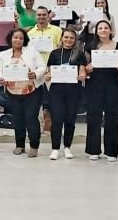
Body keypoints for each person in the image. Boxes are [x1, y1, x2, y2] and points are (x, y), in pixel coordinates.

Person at [0, 28, 46, 158]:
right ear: (10, 39)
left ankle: (34, 146)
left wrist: (35, 73)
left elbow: (43, 67)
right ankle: (20, 145)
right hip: (13, 92)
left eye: (20, 38)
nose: (18, 40)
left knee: (31, 118)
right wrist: (0, 79)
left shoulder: (32, 52)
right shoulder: (4, 54)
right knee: (18, 119)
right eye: (15, 37)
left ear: (24, 40)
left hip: (32, 91)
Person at [84, 20, 118, 162]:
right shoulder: (90, 46)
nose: (103, 30)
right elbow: (85, 67)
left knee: (112, 116)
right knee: (94, 116)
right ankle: (93, 150)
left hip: (113, 83)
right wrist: (88, 69)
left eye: (106, 28)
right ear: (97, 31)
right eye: (100, 28)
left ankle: (111, 151)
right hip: (94, 84)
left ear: (110, 30)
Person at [44, 28, 87, 160]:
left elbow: (82, 71)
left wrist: (82, 76)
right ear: (61, 38)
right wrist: (48, 76)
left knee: (70, 120)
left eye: (71, 38)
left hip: (74, 91)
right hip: (57, 91)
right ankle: (55, 148)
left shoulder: (79, 54)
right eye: (66, 37)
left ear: (75, 40)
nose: (68, 40)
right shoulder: (54, 54)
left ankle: (67, 147)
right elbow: (49, 71)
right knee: (56, 120)